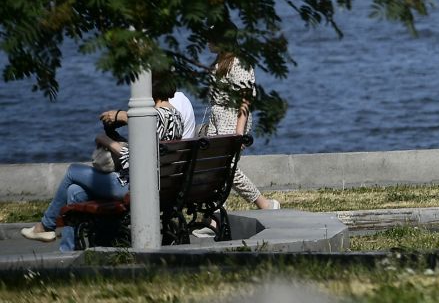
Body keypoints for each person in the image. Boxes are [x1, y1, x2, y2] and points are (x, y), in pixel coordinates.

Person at [21, 72, 187, 249]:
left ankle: (46, 226)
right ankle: (67, 252)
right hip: (161, 184)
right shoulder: (175, 116)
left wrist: (105, 140)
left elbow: (131, 159)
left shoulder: (151, 116)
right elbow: (147, 150)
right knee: (74, 191)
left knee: (72, 171)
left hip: (134, 186)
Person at [204, 52, 277, 210]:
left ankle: (262, 202)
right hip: (217, 117)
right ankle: (216, 210)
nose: (207, 40)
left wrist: (239, 131)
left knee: (227, 165)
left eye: (212, 35)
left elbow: (245, 97)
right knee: (213, 165)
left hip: (232, 116)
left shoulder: (238, 62)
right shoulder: (220, 60)